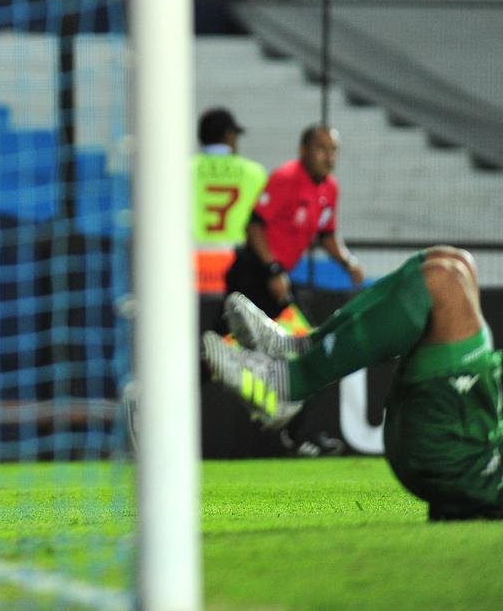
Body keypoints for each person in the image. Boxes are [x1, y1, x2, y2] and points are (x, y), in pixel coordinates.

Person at [204, 246, 500, 520]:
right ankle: (306, 347)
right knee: (451, 261)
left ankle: (289, 386)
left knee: (443, 281)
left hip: (464, 453)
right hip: (463, 429)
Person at [224, 123, 365, 318]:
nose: (329, 157)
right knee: (241, 335)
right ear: (303, 150)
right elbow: (254, 225)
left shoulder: (331, 188)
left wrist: (348, 262)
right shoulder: (286, 178)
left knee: (283, 338)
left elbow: (326, 235)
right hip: (254, 273)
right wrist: (272, 270)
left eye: (333, 150)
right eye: (321, 148)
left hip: (279, 276)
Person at [192, 108, 266, 295]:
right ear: (229, 135)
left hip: (191, 264)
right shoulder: (254, 172)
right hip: (233, 265)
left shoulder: (181, 169)